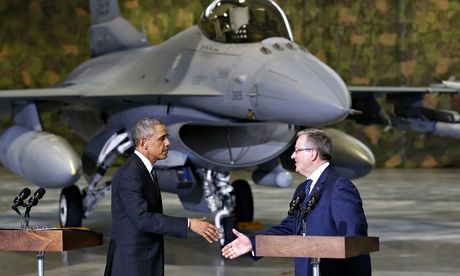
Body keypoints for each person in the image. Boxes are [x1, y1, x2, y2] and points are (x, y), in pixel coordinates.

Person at [222, 129, 371, 276]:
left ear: (312, 154)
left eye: (297, 150)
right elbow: (292, 226)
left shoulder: (339, 186)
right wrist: (252, 243)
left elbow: (355, 241)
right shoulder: (303, 189)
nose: (292, 156)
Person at [104, 118, 220, 276]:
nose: (168, 143)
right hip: (132, 266)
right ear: (144, 143)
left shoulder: (144, 169)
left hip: (144, 261)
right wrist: (189, 224)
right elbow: (143, 219)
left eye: (167, 137)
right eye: (161, 138)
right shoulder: (130, 174)